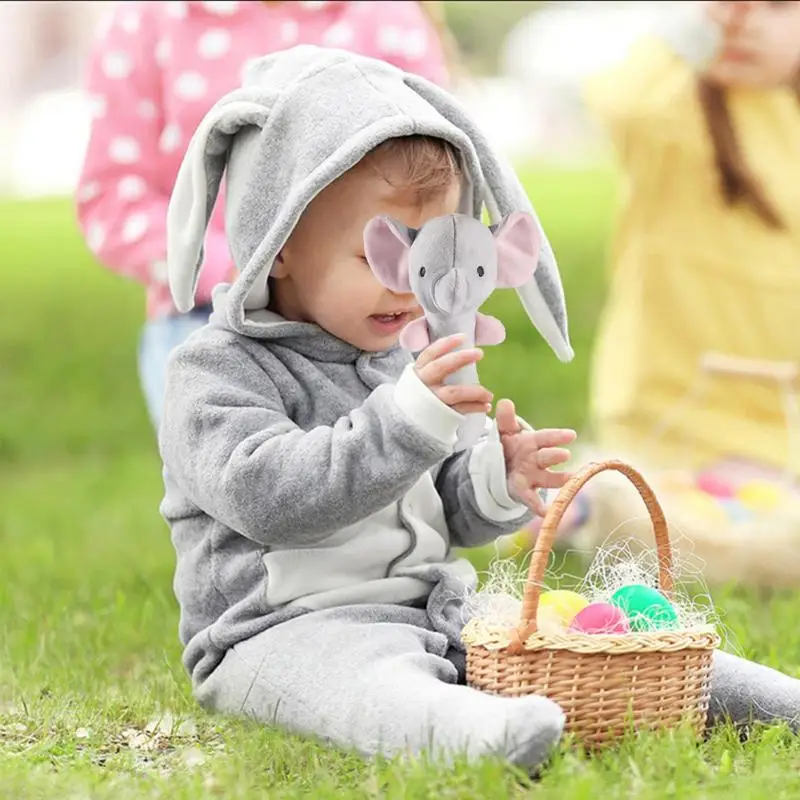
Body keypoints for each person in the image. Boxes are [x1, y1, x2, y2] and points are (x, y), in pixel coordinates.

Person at [159, 45, 800, 770]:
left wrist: (495, 480)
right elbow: (271, 501)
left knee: (594, 645)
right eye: (382, 256)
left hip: (434, 609)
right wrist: (405, 423)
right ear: (277, 244)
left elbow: (445, 514)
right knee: (371, 686)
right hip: (281, 632)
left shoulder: (406, 356)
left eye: (431, 252)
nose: (411, 290)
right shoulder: (216, 371)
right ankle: (479, 735)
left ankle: (770, 699)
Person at [74, 0, 455, 429]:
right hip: (208, 316)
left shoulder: (382, 16)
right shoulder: (148, 21)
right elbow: (111, 195)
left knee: (418, 462)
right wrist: (237, 267)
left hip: (383, 306)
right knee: (249, 469)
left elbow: (439, 168)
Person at [525, 0, 800, 556]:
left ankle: (604, 499)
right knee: (705, 528)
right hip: (677, 411)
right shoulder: (676, 109)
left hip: (777, 419)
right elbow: (620, 103)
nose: (742, 21)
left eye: (774, 6)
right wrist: (699, 31)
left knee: (758, 516)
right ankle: (598, 499)